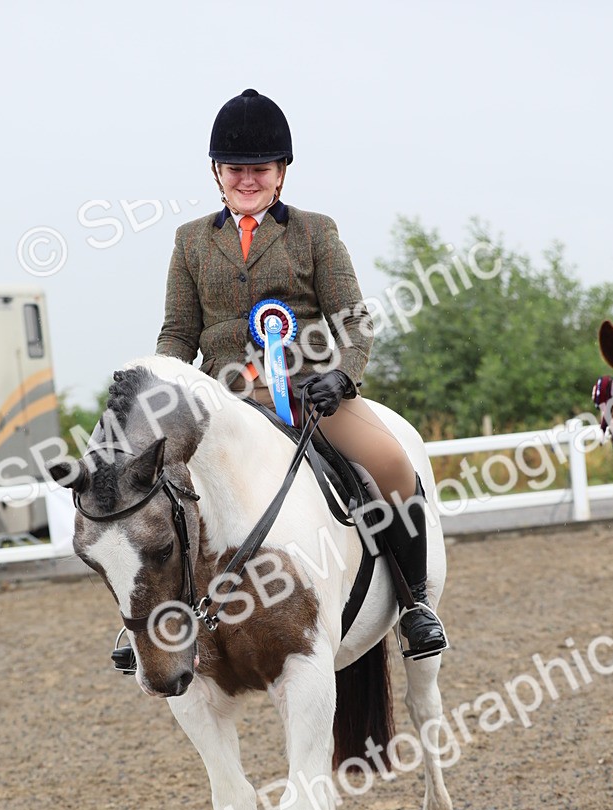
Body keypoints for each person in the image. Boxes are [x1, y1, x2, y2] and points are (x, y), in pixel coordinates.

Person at [156, 88, 447, 658]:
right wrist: (163, 380)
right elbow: (178, 333)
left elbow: (354, 318)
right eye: (236, 169)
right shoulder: (190, 241)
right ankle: (152, 627)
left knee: (390, 464)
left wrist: (344, 375)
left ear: (281, 172)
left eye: (259, 169)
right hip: (226, 402)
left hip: (314, 393)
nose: (247, 180)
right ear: (217, 172)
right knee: (153, 490)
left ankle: (414, 604)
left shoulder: (315, 232)